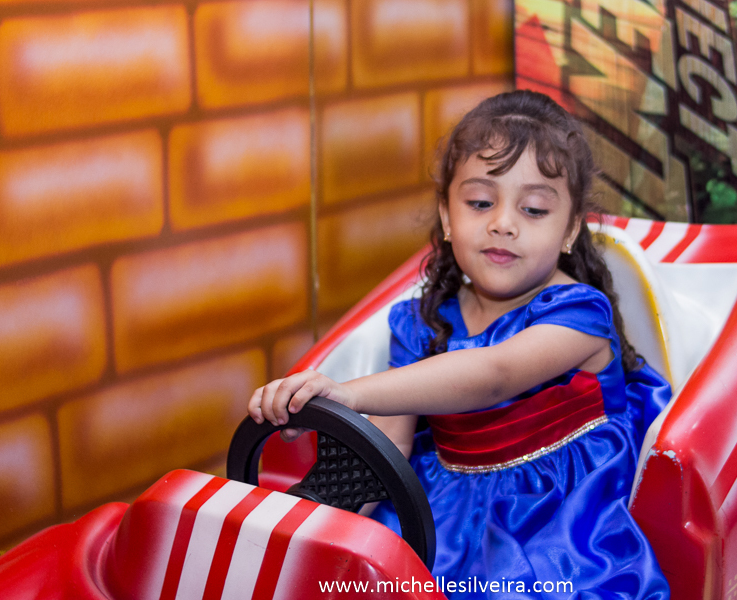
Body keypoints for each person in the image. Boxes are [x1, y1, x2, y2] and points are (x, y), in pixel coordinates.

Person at [248, 90, 671, 599]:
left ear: (570, 230)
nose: (503, 222)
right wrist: (319, 529)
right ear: (448, 218)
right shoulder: (421, 322)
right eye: (479, 203)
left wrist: (352, 394)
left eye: (534, 209)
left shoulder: (578, 313)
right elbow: (392, 444)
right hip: (444, 503)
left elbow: (494, 373)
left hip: (557, 518)